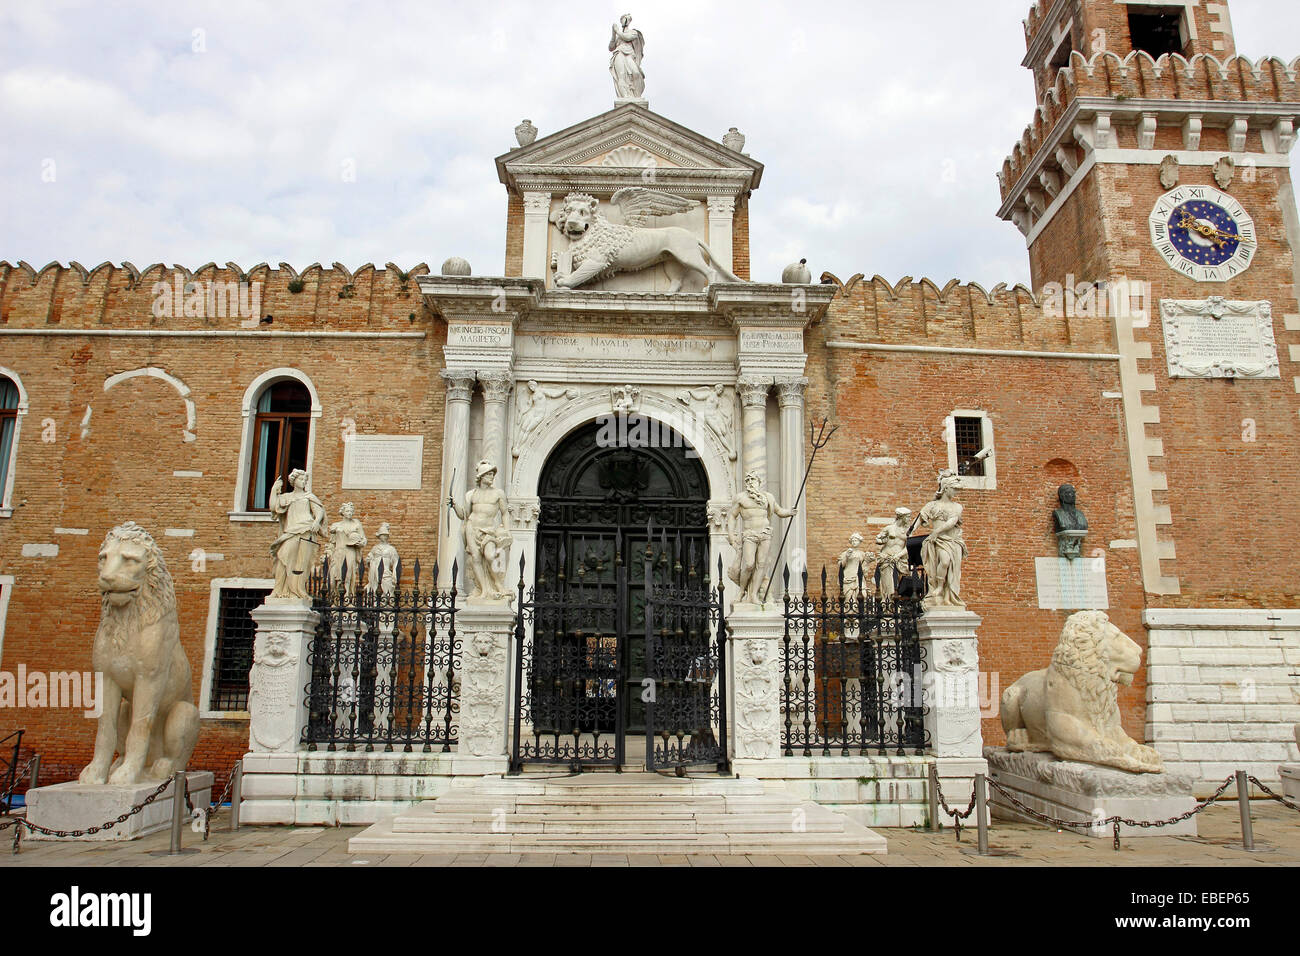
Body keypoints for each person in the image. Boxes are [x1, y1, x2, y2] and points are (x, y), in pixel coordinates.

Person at [727, 471, 797, 604]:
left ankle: (753, 594)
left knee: (762, 565)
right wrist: (731, 534)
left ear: (759, 482)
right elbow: (732, 516)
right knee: (748, 564)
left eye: (753, 480)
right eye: (747, 480)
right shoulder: (741, 498)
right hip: (750, 534)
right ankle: (742, 591)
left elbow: (779, 511)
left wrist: (790, 512)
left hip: (765, 534)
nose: (750, 483)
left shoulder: (768, 497)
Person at [448, 459, 513, 601]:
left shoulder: (498, 493)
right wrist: (454, 505)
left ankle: (497, 584)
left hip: (489, 530)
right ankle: (484, 590)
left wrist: (507, 531)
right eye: (489, 474)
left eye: (492, 474)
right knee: (476, 559)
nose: (492, 476)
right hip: (472, 528)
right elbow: (464, 515)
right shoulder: (471, 494)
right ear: (481, 476)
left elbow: (505, 513)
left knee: (490, 556)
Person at [268, 469, 325, 599]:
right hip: (291, 531)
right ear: (294, 481)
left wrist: (316, 522)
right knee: (283, 556)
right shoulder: (287, 497)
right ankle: (279, 590)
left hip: (305, 529)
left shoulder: (308, 496)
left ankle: (297, 591)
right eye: (301, 479)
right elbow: (273, 506)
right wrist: (274, 490)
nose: (303, 481)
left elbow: (319, 511)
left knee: (301, 562)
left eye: (305, 480)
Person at [918, 471, 968, 609]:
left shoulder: (957, 507)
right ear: (946, 488)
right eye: (954, 489)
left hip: (952, 540)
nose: (956, 493)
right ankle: (939, 587)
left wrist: (936, 532)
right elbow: (921, 517)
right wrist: (909, 532)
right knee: (944, 562)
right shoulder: (932, 505)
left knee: (952, 570)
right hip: (939, 541)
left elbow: (952, 521)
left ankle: (948, 595)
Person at [875, 507, 911, 603]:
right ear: (901, 517)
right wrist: (882, 540)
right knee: (888, 584)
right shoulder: (889, 528)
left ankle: (895, 605)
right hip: (887, 558)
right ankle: (888, 605)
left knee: (899, 584)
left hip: (900, 559)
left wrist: (898, 555)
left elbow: (909, 546)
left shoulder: (908, 530)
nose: (909, 519)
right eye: (907, 517)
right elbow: (878, 539)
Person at [608, 14, 645, 100]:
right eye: (624, 19)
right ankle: (625, 96)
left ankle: (636, 95)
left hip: (629, 55)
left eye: (627, 19)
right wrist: (613, 34)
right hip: (619, 53)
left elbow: (627, 38)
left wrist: (617, 31)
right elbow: (611, 47)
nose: (625, 21)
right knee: (621, 75)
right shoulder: (618, 36)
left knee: (636, 72)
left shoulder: (633, 32)